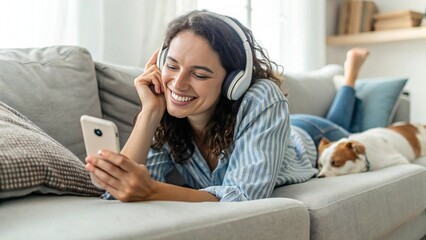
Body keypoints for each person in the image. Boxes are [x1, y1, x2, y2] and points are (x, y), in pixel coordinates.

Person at [85, 9, 368, 202]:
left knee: (350, 129)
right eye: (172, 66)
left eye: (199, 74)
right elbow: (116, 194)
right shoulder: (168, 112)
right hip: (287, 132)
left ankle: (349, 79)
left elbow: (243, 197)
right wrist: (150, 113)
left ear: (235, 81)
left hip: (308, 136)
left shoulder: (261, 97)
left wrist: (152, 191)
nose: (178, 84)